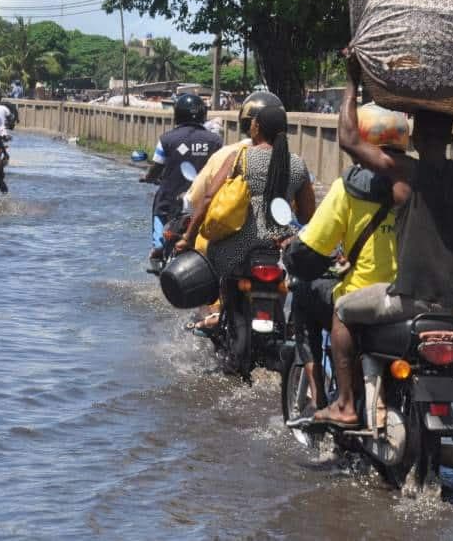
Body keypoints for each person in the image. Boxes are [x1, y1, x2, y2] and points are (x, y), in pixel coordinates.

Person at [311, 54, 453, 428]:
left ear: (415, 137)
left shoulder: (403, 172)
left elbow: (348, 139)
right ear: (450, 138)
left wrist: (352, 80)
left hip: (409, 300)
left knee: (343, 309)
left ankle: (346, 405)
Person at [282, 104, 409, 415]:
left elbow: (312, 245)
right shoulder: (419, 186)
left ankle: (326, 398)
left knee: (303, 297)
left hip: (363, 295)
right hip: (414, 296)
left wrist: (292, 252)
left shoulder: (349, 187)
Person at [176, 105, 316, 328]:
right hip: (279, 248)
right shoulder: (297, 163)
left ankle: (218, 315)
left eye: (252, 123)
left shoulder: (240, 157)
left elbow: (209, 198)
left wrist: (188, 236)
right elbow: (308, 215)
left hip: (237, 246)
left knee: (212, 266)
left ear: (257, 127)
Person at [140, 93, 224, 266]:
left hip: (173, 200)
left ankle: (158, 247)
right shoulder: (215, 141)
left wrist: (148, 177)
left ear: (177, 114)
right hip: (205, 200)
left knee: (159, 207)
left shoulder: (167, 139)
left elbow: (157, 166)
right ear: (203, 114)